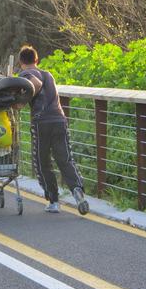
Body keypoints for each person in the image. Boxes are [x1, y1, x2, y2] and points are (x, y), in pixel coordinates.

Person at [17, 45, 89, 215]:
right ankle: (77, 190)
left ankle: (54, 201)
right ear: (37, 60)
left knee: (43, 162)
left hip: (41, 122)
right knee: (65, 159)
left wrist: (20, 102)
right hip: (59, 119)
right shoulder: (49, 75)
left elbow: (34, 82)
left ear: (21, 62)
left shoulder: (26, 74)